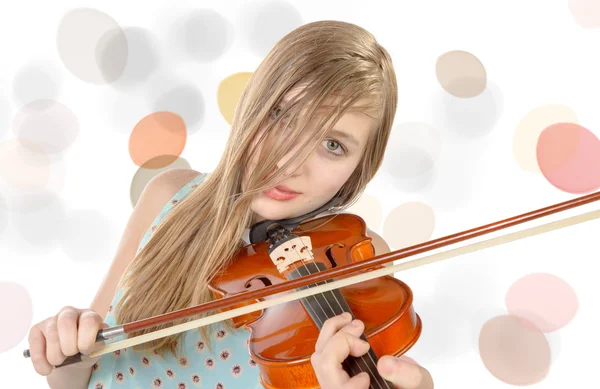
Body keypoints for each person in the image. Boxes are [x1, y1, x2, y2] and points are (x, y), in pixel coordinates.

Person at [26, 20, 434, 389]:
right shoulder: (168, 196)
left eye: (332, 145)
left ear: (359, 167)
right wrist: (63, 352)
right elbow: (82, 374)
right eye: (282, 116)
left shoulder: (357, 258)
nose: (290, 163)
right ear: (253, 105)